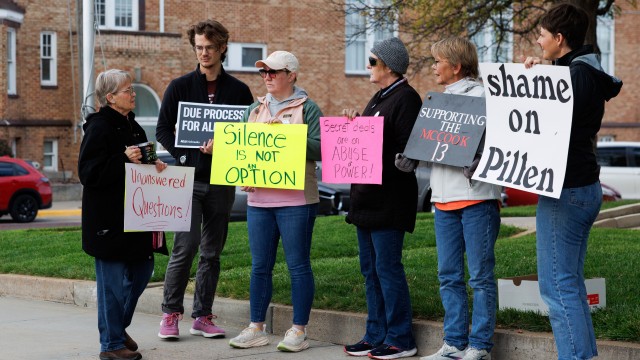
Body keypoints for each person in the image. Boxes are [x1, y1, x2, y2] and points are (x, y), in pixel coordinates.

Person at [523, 4, 622, 359]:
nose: (538, 40)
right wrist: (541, 75)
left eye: (542, 35)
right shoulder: (580, 71)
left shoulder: (573, 77)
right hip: (581, 185)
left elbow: (554, 127)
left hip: (565, 188)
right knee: (570, 284)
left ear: (559, 38)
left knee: (556, 286)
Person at [155, 19, 253, 339]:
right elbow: (162, 131)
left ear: (222, 47)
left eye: (209, 47)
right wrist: (185, 153)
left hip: (221, 180)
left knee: (212, 251)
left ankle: (203, 315)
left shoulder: (239, 91)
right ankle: (170, 313)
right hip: (188, 178)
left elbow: (247, 137)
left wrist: (227, 150)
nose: (204, 53)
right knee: (186, 246)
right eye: (198, 47)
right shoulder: (180, 86)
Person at [408, 37, 503, 360]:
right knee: (448, 275)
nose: (434, 66)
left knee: (480, 277)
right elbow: (431, 144)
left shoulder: (485, 98)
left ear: (456, 66)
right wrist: (411, 158)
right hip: (443, 200)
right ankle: (454, 343)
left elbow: (501, 147)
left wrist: (482, 161)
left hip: (477, 199)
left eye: (438, 61)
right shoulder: (435, 100)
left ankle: (479, 346)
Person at [227, 50, 322, 353]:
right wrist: (223, 151)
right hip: (259, 201)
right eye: (263, 72)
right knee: (259, 267)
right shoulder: (254, 109)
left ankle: (299, 330)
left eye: (274, 72)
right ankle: (256, 327)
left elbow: (321, 148)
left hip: (297, 201)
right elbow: (242, 149)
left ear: (292, 75)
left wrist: (289, 135)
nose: (267, 77)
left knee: (298, 266)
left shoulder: (309, 109)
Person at [79, 69, 169, 360]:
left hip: (138, 217)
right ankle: (111, 345)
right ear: (110, 98)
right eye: (127, 90)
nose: (133, 94)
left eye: (132, 89)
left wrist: (157, 168)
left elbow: (145, 164)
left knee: (143, 272)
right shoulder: (99, 127)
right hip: (109, 221)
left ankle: (117, 327)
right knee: (112, 286)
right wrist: (121, 159)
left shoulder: (135, 127)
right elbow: (88, 173)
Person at [341, 37, 422, 360]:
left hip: (389, 201)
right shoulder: (378, 98)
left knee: (388, 269)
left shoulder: (406, 99)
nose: (368, 66)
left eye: (372, 61)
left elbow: (405, 152)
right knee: (370, 270)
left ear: (389, 66)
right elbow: (366, 142)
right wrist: (353, 125)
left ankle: (401, 338)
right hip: (366, 201)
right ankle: (375, 333)